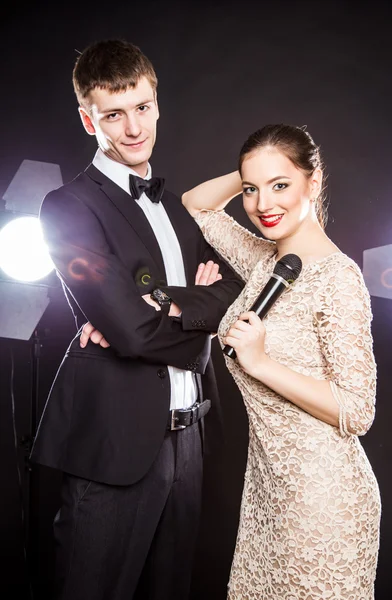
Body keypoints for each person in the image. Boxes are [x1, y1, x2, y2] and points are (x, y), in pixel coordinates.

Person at [30, 39, 243, 600]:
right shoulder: (68, 207)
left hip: (189, 438)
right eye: (113, 114)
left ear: (157, 104)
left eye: (143, 108)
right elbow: (130, 331)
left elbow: (233, 286)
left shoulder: (176, 207)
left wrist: (164, 305)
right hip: (115, 445)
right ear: (87, 119)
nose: (133, 128)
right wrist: (192, 322)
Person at [181, 123, 381, 599]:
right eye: (252, 190)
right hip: (269, 496)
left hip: (323, 502)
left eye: (281, 185)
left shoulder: (338, 279)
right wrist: (257, 169)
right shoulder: (265, 262)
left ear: (314, 182)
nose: (263, 205)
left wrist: (262, 362)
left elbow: (358, 410)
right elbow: (197, 204)